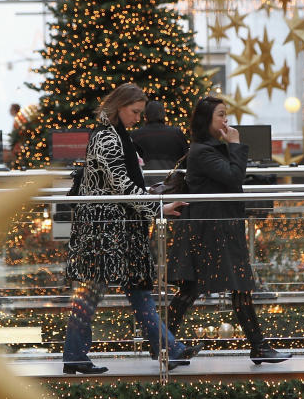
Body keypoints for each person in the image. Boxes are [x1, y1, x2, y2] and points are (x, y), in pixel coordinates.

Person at [62, 83, 201, 374]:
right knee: (96, 291)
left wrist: (150, 197)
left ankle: (169, 349)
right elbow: (122, 186)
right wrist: (158, 208)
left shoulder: (115, 135)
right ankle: (75, 355)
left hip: (117, 229)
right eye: (134, 112)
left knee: (135, 290)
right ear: (119, 107)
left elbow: (123, 185)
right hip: (105, 231)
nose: (138, 118)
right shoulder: (108, 138)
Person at [167, 97, 291, 364]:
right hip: (213, 230)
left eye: (226, 115)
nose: (226, 120)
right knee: (221, 286)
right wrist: (235, 145)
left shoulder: (206, 149)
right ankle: (164, 344)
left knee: (206, 288)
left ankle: (164, 344)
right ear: (206, 121)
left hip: (215, 228)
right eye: (221, 115)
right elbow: (234, 178)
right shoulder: (203, 151)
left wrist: (231, 146)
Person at [130, 100, 188, 171]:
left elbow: (131, 162)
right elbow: (186, 159)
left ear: (146, 115)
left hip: (146, 179)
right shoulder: (176, 133)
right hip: (171, 178)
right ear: (163, 114)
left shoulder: (136, 135)